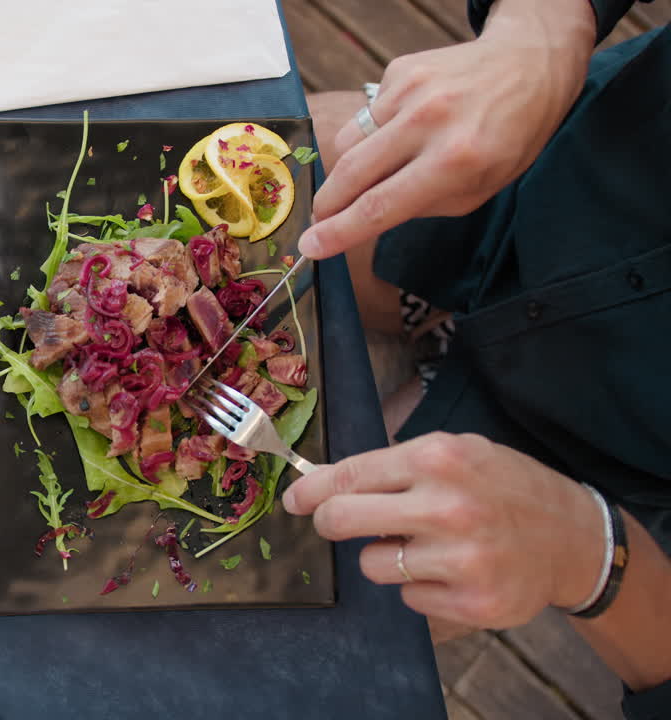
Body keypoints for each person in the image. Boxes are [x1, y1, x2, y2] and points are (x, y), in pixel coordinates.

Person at [280, 0, 671, 717]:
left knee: (283, 598)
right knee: (248, 163)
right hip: (523, 174)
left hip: (580, 471)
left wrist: (589, 557)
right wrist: (545, 29)